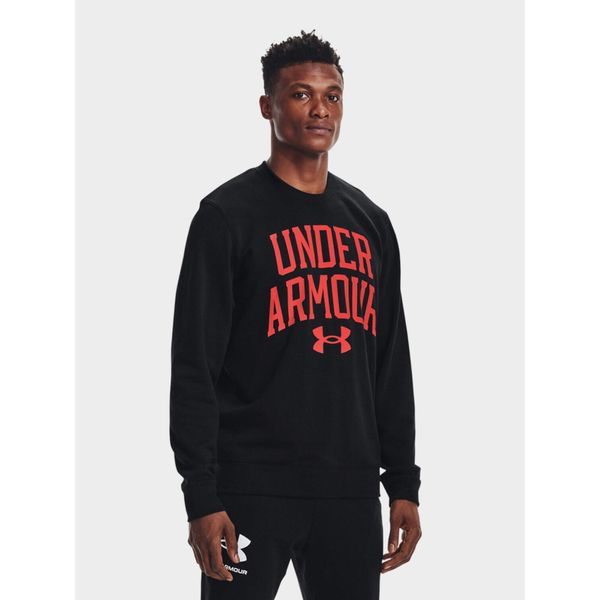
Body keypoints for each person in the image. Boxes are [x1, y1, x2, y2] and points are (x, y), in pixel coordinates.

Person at [170, 29, 422, 600]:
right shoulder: (225, 216)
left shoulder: (371, 222)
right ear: (268, 106)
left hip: (349, 492)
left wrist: (402, 483)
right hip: (249, 487)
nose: (320, 110)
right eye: (301, 94)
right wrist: (201, 496)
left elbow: (390, 364)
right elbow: (194, 367)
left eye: (333, 96)